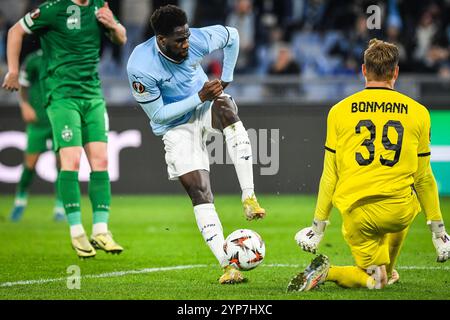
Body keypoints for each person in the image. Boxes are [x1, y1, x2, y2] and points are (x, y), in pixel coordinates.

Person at [287, 39, 450, 292]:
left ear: (363, 70)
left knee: (375, 281)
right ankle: (389, 268)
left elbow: (330, 175)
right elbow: (424, 178)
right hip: (399, 213)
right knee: (411, 194)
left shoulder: (339, 112)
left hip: (358, 216)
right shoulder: (418, 113)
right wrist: (439, 233)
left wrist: (317, 229)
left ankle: (331, 272)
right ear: (395, 72)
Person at [126, 5, 266, 284]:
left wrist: (226, 78)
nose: (187, 44)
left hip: (204, 107)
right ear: (161, 40)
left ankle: (249, 197)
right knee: (200, 191)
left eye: (187, 36)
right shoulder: (140, 67)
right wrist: (200, 96)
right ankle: (228, 266)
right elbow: (158, 115)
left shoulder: (196, 39)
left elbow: (233, 36)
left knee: (226, 107)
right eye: (179, 40)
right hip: (175, 125)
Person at [2, 0, 127, 259]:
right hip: (62, 97)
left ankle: (101, 229)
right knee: (71, 160)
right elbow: (15, 31)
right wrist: (13, 70)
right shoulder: (51, 9)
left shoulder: (98, 6)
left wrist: (112, 25)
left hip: (92, 95)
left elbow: (121, 39)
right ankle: (76, 230)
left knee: (101, 160)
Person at [9, 48, 65, 222]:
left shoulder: (63, 56)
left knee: (62, 164)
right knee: (30, 164)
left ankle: (60, 206)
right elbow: (23, 85)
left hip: (59, 118)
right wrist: (24, 106)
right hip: (38, 121)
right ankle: (20, 201)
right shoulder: (33, 60)